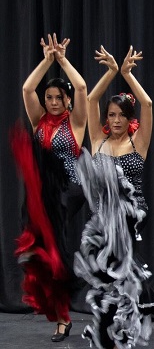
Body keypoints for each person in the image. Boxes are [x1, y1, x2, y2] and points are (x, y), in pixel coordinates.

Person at [73, 45, 154, 349]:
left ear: (130, 119)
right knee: (110, 282)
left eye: (121, 116)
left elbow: (148, 104)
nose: (114, 120)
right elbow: (90, 100)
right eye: (111, 115)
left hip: (130, 218)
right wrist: (111, 72)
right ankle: (114, 332)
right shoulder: (98, 141)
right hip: (101, 220)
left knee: (124, 275)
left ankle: (123, 331)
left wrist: (127, 75)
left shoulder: (138, 143)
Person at [10, 33, 87, 342]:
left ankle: (44, 254)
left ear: (67, 100)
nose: (53, 102)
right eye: (50, 98)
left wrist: (62, 59)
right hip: (42, 193)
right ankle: (61, 317)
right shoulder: (39, 121)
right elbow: (28, 88)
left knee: (51, 247)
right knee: (46, 257)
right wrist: (46, 60)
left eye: (59, 98)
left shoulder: (76, 122)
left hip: (69, 191)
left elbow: (81, 87)